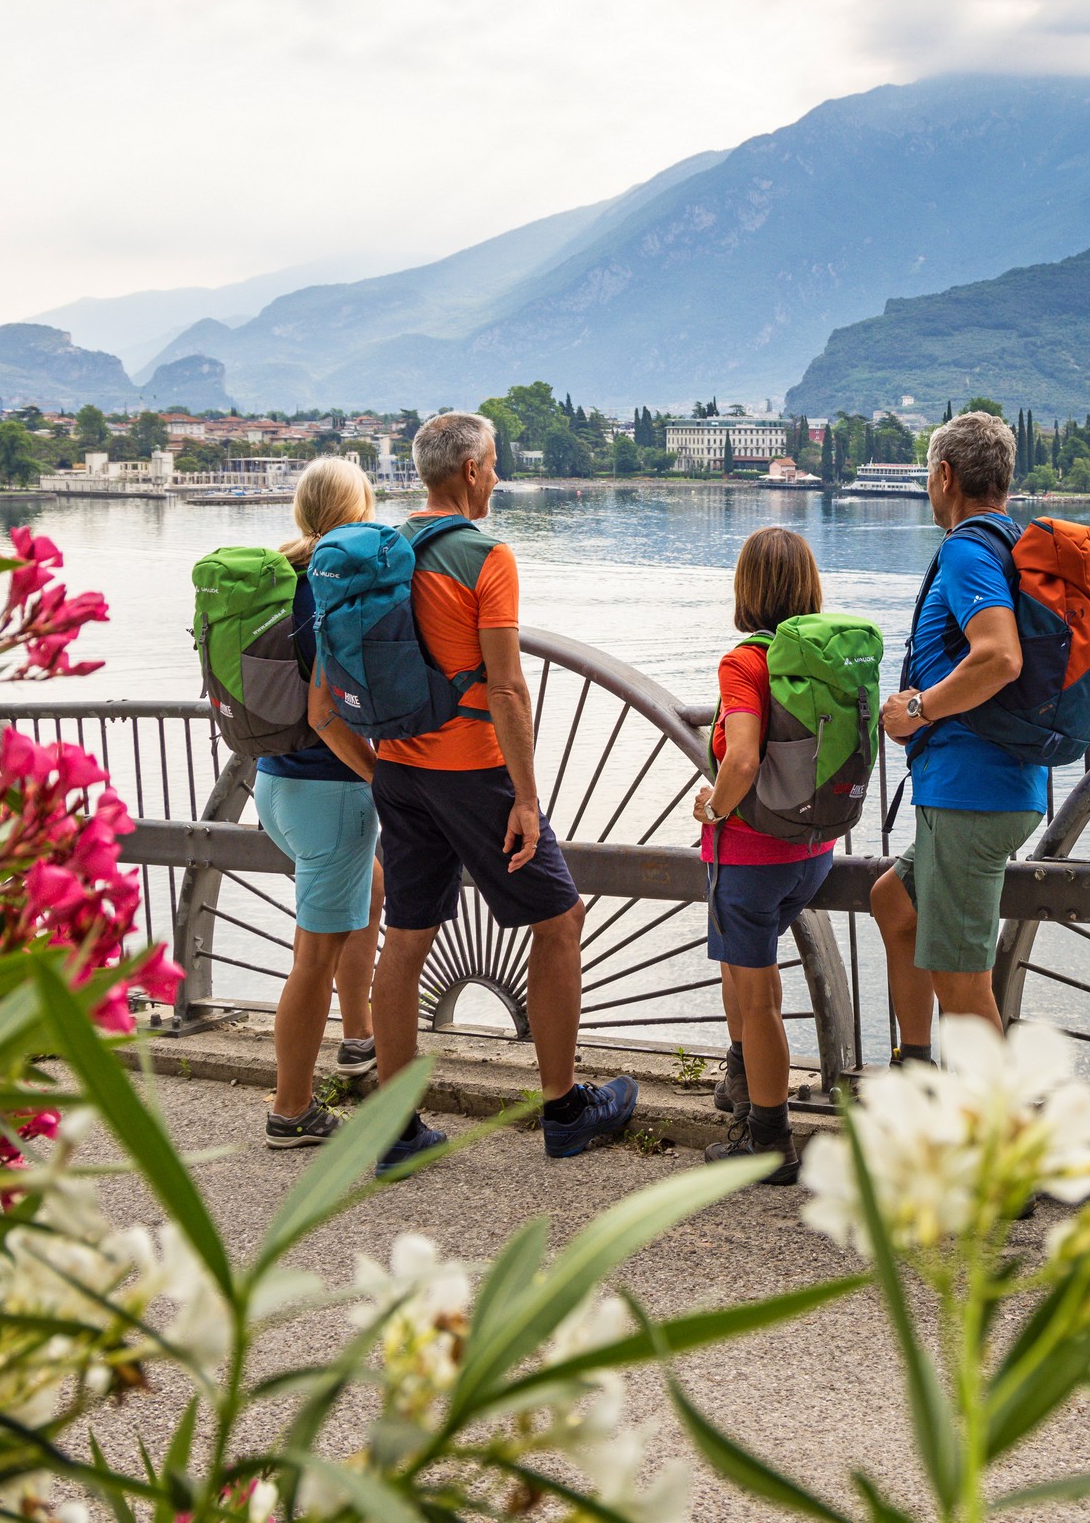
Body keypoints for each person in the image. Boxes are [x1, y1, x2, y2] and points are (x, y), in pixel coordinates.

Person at [368, 411, 637, 1173]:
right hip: (471, 770)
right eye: (493, 462)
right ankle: (563, 1110)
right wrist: (525, 796)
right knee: (560, 920)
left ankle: (394, 1130)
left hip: (398, 764)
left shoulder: (384, 547)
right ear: (473, 471)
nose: (496, 474)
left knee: (408, 938)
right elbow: (508, 687)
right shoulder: (486, 556)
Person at [871, 411, 1039, 1061]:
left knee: (963, 988)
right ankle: (914, 1070)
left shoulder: (968, 548)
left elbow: (999, 656)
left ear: (945, 476)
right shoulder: (1009, 541)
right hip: (995, 784)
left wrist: (917, 709)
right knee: (894, 903)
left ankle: (1001, 1150)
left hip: (971, 794)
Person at [690, 528, 837, 1182]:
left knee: (760, 998)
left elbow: (743, 757)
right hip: (813, 850)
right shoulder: (822, 656)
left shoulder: (745, 662)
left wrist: (714, 808)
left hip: (750, 857)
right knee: (741, 973)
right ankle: (741, 1086)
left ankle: (770, 1142)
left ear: (745, 589)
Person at [258, 456, 387, 1148]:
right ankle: (292, 1109)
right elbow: (328, 707)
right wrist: (378, 776)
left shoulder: (282, 577)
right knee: (312, 958)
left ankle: (360, 1037)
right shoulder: (334, 589)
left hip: (275, 783)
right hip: (328, 791)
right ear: (357, 513)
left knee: (367, 890)